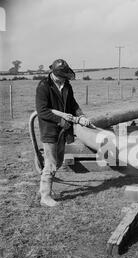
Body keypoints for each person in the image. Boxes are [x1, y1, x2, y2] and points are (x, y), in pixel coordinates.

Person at [36, 59, 90, 207]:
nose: (65, 77)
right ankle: (45, 197)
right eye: (62, 75)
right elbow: (42, 111)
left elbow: (73, 104)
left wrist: (82, 116)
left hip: (63, 129)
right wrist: (61, 120)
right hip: (50, 129)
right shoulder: (44, 86)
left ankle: (42, 190)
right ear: (55, 73)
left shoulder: (66, 85)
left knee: (58, 162)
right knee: (52, 163)